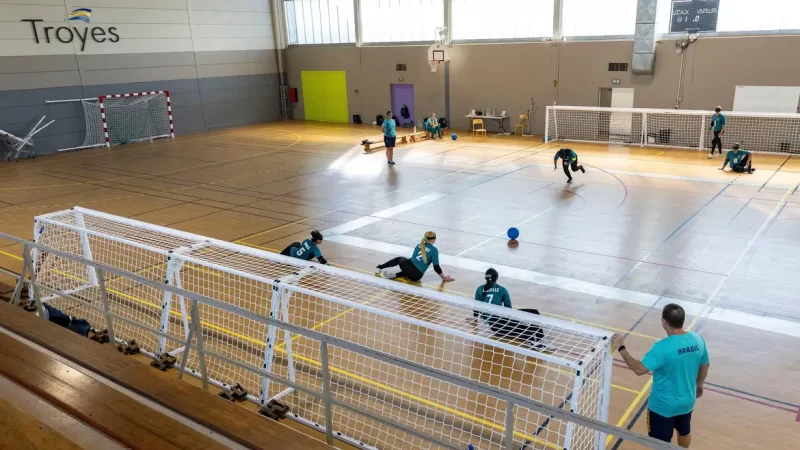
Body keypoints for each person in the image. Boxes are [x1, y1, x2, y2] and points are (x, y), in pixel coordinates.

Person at [612, 304, 710, 448]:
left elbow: (639, 369)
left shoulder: (662, 347)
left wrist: (621, 347)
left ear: (664, 322)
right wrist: (699, 384)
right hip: (687, 401)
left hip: (663, 407)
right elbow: (705, 365)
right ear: (682, 320)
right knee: (684, 431)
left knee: (659, 444)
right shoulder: (697, 339)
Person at [472, 268, 546, 348]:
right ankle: (538, 340)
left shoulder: (480, 289)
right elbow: (509, 310)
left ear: (485, 278)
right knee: (534, 313)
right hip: (501, 322)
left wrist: (475, 319)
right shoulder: (502, 290)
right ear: (497, 278)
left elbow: (476, 306)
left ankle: (532, 339)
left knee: (522, 326)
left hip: (494, 327)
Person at [376, 231, 454, 283]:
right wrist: (444, 278)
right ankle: (396, 275)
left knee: (400, 259)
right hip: (416, 276)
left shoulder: (419, 245)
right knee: (411, 271)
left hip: (407, 266)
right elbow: (436, 267)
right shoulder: (434, 250)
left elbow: (412, 260)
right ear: (434, 239)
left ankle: (379, 267)